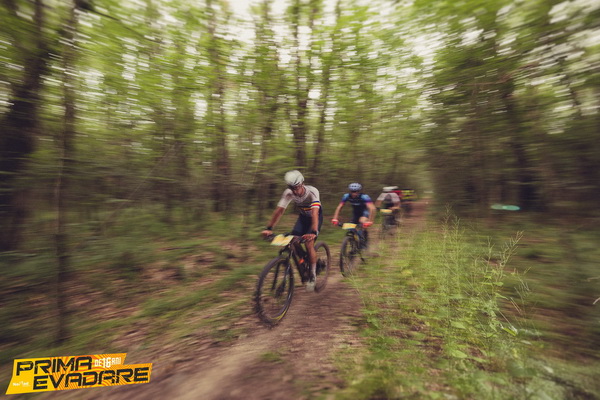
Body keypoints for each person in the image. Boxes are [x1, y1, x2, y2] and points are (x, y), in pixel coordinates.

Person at [262, 170, 322, 292]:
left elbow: (315, 213)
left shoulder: (312, 191)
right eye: (291, 188)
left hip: (315, 218)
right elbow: (279, 211)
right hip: (303, 218)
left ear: (302, 183)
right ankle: (303, 260)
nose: (294, 191)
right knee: (292, 240)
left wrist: (313, 231)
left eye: (297, 187)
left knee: (308, 243)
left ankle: (312, 275)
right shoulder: (288, 193)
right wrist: (269, 228)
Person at [331, 183, 376, 248]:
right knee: (351, 226)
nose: (354, 193)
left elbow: (372, 208)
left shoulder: (364, 197)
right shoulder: (346, 196)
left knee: (362, 221)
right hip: (355, 213)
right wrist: (335, 218)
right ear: (350, 191)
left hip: (364, 212)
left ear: (358, 191)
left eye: (356, 191)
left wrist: (370, 220)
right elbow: (339, 207)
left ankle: (364, 240)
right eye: (352, 191)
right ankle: (353, 242)